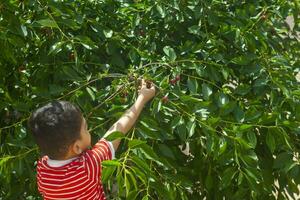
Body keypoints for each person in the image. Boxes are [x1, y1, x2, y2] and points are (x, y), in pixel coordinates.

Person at [28, 79, 156, 199]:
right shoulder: (87, 167)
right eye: (85, 128)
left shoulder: (43, 169)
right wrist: (142, 98)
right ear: (77, 147)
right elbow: (119, 129)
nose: (89, 131)